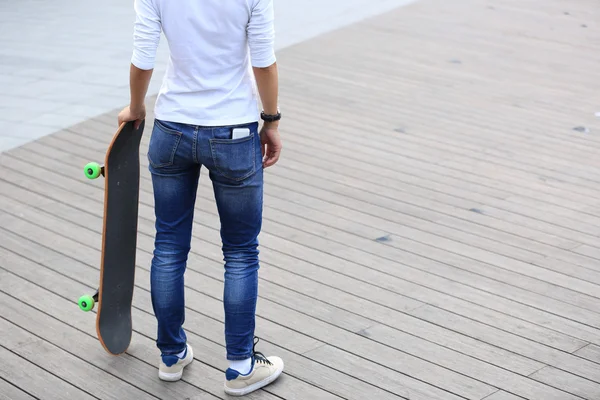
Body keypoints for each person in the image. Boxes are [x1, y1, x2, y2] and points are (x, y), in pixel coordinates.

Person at [117, 0, 284, 396]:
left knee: (169, 246)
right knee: (241, 252)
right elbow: (263, 60)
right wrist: (272, 120)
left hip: (172, 128)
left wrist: (137, 108)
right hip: (234, 131)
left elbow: (142, 57)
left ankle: (172, 355)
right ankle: (241, 366)